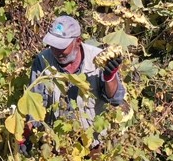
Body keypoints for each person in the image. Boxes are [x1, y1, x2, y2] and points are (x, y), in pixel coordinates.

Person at [24, 15, 125, 147]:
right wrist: (26, 135)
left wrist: (110, 77)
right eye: (53, 45)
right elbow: (35, 104)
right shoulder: (42, 60)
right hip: (56, 140)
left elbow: (116, 99)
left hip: (92, 141)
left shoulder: (98, 59)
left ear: (78, 41)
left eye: (62, 47)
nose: (56, 51)